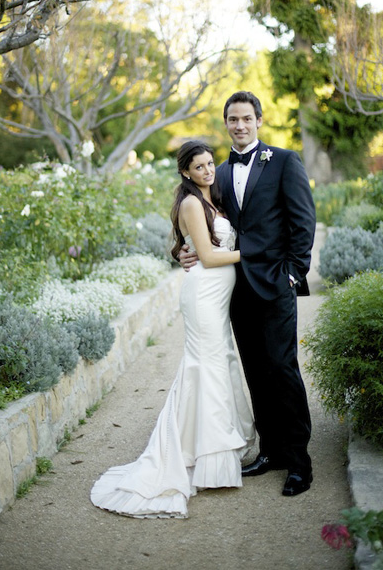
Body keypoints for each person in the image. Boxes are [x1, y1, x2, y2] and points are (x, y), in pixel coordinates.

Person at [91, 140, 255, 519]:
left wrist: (192, 248)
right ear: (185, 171)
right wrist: (257, 252)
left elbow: (203, 246)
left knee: (221, 364)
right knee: (207, 368)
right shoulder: (191, 203)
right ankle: (204, 458)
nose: (208, 171)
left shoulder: (212, 197)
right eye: (199, 167)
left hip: (217, 295)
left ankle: (215, 449)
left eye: (211, 164)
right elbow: (211, 257)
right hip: (203, 295)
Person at [180, 91, 316, 496]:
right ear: (226, 124)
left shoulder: (285, 161)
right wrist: (188, 251)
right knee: (256, 373)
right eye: (232, 119)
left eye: (245, 118)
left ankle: (298, 462)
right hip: (235, 292)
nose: (239, 125)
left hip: (276, 285)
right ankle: (271, 450)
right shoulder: (217, 172)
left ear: (258, 120)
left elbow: (303, 221)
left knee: (282, 369)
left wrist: (293, 274)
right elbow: (207, 223)